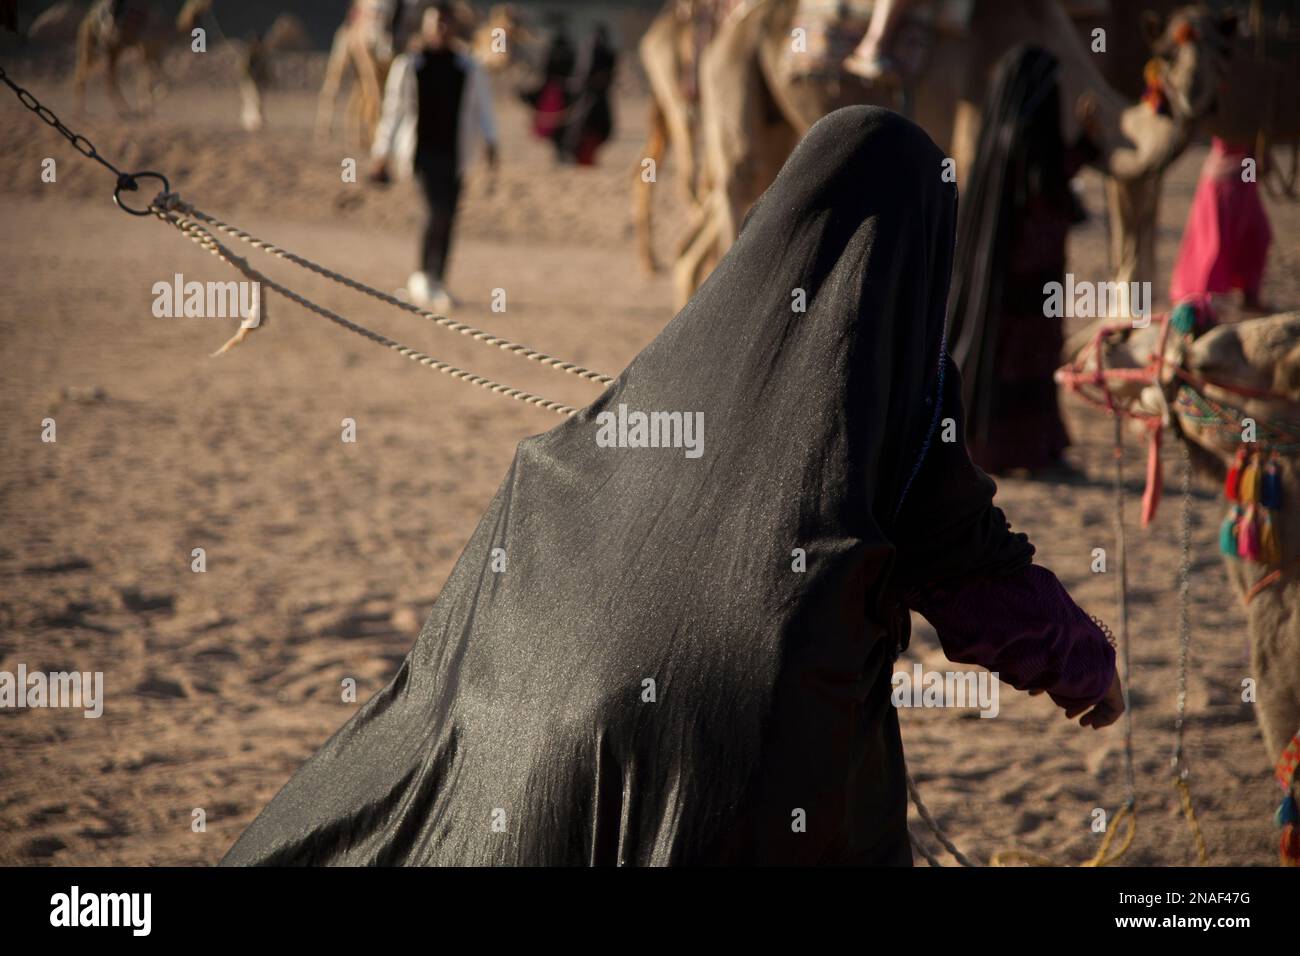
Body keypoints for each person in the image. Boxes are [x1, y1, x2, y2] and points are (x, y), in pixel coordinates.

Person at [222, 106, 1121, 867]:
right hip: (742, 764)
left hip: (534, 722)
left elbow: (566, 474)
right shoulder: (902, 400)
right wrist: (1088, 668)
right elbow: (976, 577)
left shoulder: (689, 353)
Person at [947, 46, 1100, 478]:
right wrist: (1086, 144)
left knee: (1004, 356)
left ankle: (994, 446)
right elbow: (1046, 189)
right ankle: (1030, 451)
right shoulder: (1030, 134)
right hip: (1032, 278)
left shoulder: (999, 131)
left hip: (1002, 275)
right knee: (1030, 358)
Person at [369, 2, 498, 312]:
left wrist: (492, 144)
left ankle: (438, 280)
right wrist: (380, 153)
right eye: (435, 23)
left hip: (456, 153)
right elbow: (393, 112)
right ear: (425, 27)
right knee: (435, 211)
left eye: (445, 23)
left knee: (450, 215)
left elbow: (483, 108)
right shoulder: (410, 65)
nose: (440, 28)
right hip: (421, 153)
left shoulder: (467, 66)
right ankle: (421, 276)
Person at [1170, 137, 1274, 312]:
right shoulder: (1228, 118)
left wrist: (1258, 161)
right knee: (1214, 246)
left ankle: (1249, 292)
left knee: (1257, 235)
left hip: (1245, 175)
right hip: (1222, 179)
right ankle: (1200, 300)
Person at [559, 22, 618, 165]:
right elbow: (583, 74)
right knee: (580, 130)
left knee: (588, 130)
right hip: (588, 97)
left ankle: (585, 159)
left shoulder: (603, 53)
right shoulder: (591, 51)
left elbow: (601, 75)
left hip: (595, 99)